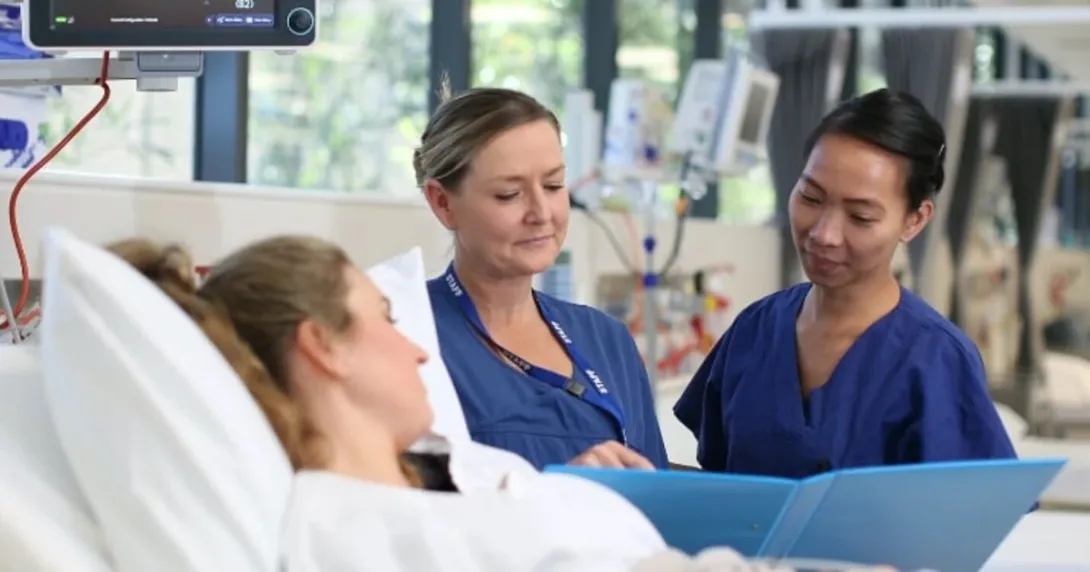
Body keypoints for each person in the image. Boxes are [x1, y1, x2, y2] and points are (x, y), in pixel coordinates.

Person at [108, 236, 669, 571]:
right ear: (323, 348)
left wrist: (561, 494)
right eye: (388, 318)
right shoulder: (351, 532)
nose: (419, 352)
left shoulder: (458, 478)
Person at [674, 89, 1019, 478]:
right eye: (810, 197)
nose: (825, 234)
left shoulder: (935, 358)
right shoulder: (754, 331)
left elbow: (963, 519)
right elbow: (719, 483)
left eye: (860, 217)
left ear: (915, 220)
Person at [416, 85, 669, 470]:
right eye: (509, 194)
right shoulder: (409, 337)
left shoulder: (607, 340)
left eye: (553, 186)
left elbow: (658, 499)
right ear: (443, 203)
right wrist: (556, 496)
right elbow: (405, 509)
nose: (541, 212)